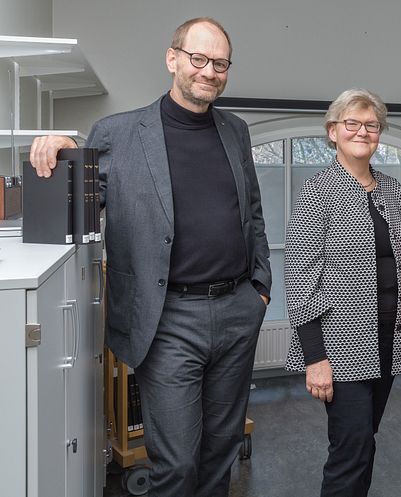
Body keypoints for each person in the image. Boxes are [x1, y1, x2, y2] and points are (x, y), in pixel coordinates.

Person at [29, 17, 270, 497]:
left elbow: (253, 213)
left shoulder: (235, 131)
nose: (209, 71)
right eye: (198, 59)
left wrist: (259, 289)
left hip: (236, 311)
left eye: (220, 63)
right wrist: (66, 147)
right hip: (166, 319)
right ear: (173, 58)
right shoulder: (119, 132)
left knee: (219, 454)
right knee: (177, 465)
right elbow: (81, 191)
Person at [284, 88, 401, 497]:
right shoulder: (317, 192)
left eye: (372, 125)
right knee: (350, 447)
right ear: (333, 132)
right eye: (352, 124)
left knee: (365, 441)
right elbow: (299, 277)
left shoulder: (393, 191)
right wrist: (315, 358)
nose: (363, 131)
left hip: (388, 341)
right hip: (340, 348)